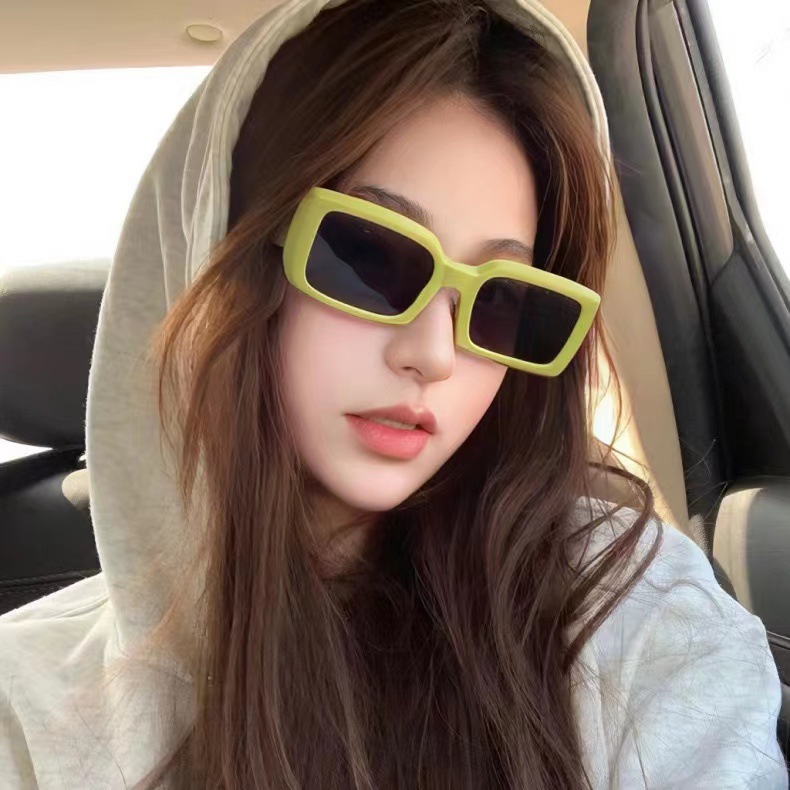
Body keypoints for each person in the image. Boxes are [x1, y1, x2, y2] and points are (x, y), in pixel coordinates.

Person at [0, 0, 786, 787]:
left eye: (503, 301)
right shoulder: (28, 707)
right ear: (227, 255)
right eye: (370, 259)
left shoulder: (634, 618)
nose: (434, 354)